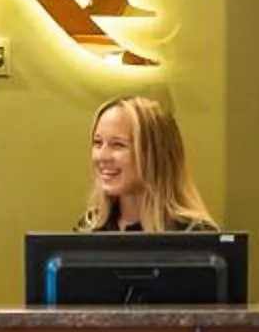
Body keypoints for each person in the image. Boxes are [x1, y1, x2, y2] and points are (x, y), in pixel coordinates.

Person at [77, 93, 218, 234]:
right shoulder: (89, 228)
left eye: (117, 145)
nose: (102, 156)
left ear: (154, 154)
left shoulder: (195, 236)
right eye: (97, 143)